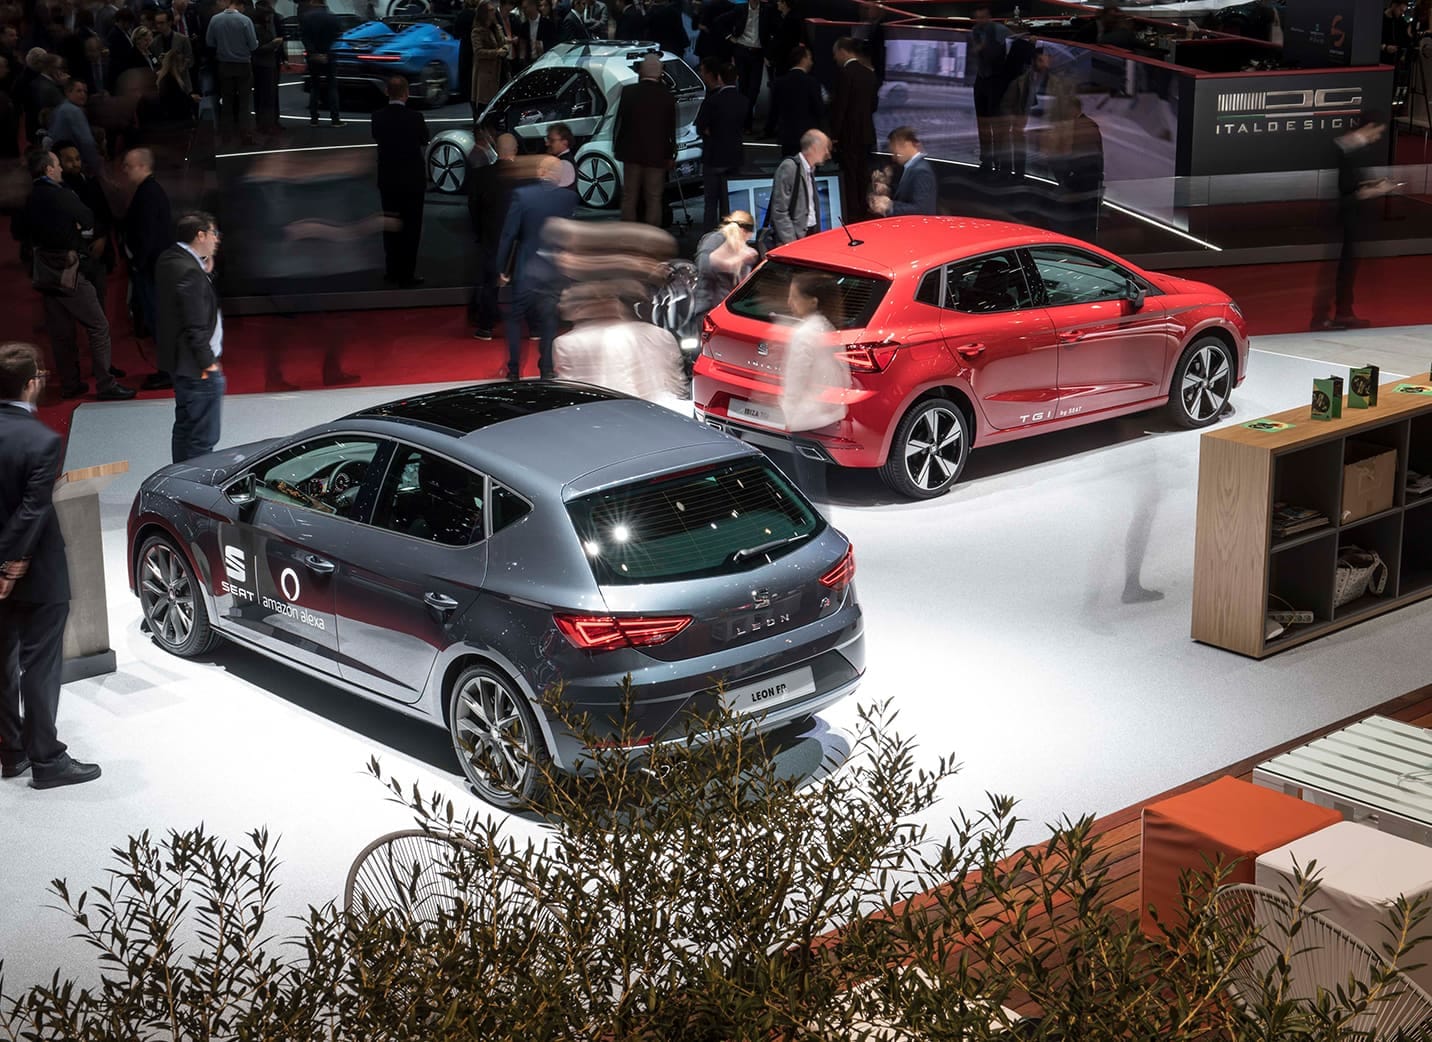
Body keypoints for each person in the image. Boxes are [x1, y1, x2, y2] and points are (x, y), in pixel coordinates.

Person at [0, 343, 103, 791]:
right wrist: (8, 565)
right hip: (36, 574)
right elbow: (32, 509)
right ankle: (47, 760)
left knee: (1, 664)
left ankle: (11, 751)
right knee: (39, 667)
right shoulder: (43, 440)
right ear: (30, 383)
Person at [18, 149, 134, 401]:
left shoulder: (29, 198)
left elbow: (18, 231)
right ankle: (106, 383)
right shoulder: (61, 195)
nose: (60, 168)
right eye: (57, 164)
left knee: (61, 332)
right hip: (68, 271)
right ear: (49, 169)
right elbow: (87, 218)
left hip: (44, 274)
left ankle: (70, 383)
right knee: (99, 325)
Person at [1312, 117, 1398, 331]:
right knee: (1336, 271)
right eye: (1377, 131)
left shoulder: (1355, 149)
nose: (1377, 137)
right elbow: (1344, 192)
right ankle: (1322, 316)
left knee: (1346, 269)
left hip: (1351, 220)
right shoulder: (1344, 148)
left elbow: (1350, 185)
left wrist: (1370, 186)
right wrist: (1374, 191)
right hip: (1341, 219)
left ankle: (1343, 313)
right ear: (1368, 127)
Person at [497, 154, 576, 379]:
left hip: (526, 270)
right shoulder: (568, 198)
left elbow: (509, 234)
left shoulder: (522, 195)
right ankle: (547, 369)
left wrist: (503, 268)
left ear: (540, 172)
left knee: (514, 318)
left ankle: (513, 371)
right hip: (554, 270)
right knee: (549, 321)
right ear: (558, 176)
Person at [156, 211, 225, 462]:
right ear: (201, 235)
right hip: (197, 367)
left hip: (178, 363)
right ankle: (193, 490)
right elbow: (195, 327)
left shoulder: (170, 258)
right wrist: (209, 364)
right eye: (214, 234)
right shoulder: (190, 272)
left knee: (185, 426)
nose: (216, 240)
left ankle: (177, 479)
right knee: (202, 439)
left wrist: (205, 268)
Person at [779, 270, 850, 509]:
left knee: (806, 490)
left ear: (812, 301)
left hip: (804, 419)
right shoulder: (828, 327)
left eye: (794, 296)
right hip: (826, 415)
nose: (789, 302)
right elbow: (844, 373)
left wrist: (785, 414)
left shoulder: (803, 334)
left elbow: (795, 382)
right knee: (817, 486)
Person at [121, 148, 173, 389]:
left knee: (158, 320)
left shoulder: (148, 194)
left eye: (129, 166)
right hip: (153, 266)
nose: (125, 170)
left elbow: (147, 235)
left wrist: (137, 262)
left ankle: (169, 371)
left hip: (151, 268)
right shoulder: (149, 191)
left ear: (142, 166)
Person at [371, 75, 430, 287]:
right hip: (412, 181)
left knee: (390, 226)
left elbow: (377, 136)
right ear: (406, 94)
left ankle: (391, 270)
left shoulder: (377, 117)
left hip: (388, 181)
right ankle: (407, 273)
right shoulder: (416, 118)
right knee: (411, 228)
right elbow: (425, 138)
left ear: (387, 92)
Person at [468, 130, 522, 339]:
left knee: (489, 282)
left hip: (491, 235)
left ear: (496, 150)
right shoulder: (523, 178)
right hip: (518, 238)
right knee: (523, 281)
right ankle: (532, 328)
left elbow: (473, 208)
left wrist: (479, 233)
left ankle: (486, 327)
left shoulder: (482, 176)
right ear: (514, 151)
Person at [613, 53, 675, 226]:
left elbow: (621, 121)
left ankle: (629, 235)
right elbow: (670, 130)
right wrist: (670, 155)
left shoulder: (628, 92)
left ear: (641, 71)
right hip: (656, 155)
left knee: (629, 197)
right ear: (660, 72)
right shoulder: (667, 96)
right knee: (654, 198)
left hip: (631, 153)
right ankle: (652, 238)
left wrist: (618, 147)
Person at [56, 140, 117, 313]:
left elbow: (105, 214)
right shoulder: (57, 192)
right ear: (59, 163)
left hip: (94, 251)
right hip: (69, 255)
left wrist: (102, 238)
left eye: (77, 159)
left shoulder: (92, 184)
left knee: (98, 303)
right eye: (69, 160)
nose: (75, 163)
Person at [829, 36, 876, 221]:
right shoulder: (869, 74)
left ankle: (853, 213)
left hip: (849, 134)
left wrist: (834, 135)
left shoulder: (845, 73)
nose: (835, 58)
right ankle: (864, 209)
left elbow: (841, 107)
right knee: (863, 173)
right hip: (866, 132)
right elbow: (873, 105)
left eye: (835, 54)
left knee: (849, 174)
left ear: (842, 51)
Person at [695, 57, 744, 229]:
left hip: (714, 157)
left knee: (711, 203)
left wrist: (710, 130)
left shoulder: (713, 101)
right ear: (736, 78)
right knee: (729, 202)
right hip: (734, 158)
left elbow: (700, 127)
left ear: (720, 78)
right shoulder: (743, 101)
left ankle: (708, 238)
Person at [206, 0, 257, 143]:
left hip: (224, 65)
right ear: (240, 5)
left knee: (226, 101)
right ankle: (245, 134)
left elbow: (210, 42)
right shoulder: (245, 20)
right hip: (243, 65)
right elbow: (253, 45)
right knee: (244, 102)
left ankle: (226, 135)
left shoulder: (215, 20)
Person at [768, 127, 828, 245]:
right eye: (824, 148)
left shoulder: (810, 169)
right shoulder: (789, 167)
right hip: (794, 239)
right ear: (814, 148)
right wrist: (791, 243)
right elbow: (779, 210)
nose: (827, 153)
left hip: (811, 234)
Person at [693, 207, 755, 318]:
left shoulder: (743, 247)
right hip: (709, 309)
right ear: (747, 232)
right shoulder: (715, 239)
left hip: (727, 308)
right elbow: (704, 266)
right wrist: (736, 261)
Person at [969, 5, 1009, 176]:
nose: (981, 21)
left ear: (989, 16)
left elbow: (1009, 49)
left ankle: (999, 161)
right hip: (982, 79)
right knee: (983, 124)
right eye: (978, 18)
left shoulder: (1001, 30)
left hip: (996, 80)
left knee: (997, 124)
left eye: (984, 17)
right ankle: (986, 161)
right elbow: (975, 53)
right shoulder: (975, 31)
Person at [999, 44, 1047, 180]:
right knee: (1011, 147)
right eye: (1040, 61)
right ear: (1032, 61)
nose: (1044, 65)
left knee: (1017, 147)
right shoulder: (1021, 80)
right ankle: (1010, 174)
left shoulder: (1032, 77)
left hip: (1019, 120)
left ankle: (1017, 175)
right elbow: (1008, 103)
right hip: (1014, 120)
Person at [768, 43, 821, 158]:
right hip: (808, 137)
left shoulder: (779, 82)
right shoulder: (812, 82)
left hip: (787, 136)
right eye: (810, 58)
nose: (812, 62)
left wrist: (769, 130)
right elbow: (819, 110)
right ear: (803, 59)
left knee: (789, 170)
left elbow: (774, 110)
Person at [722, 0, 768, 131]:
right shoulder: (739, 9)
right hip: (742, 51)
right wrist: (729, 36)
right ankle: (745, 124)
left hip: (757, 53)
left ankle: (744, 121)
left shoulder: (766, 10)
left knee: (754, 89)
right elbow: (719, 21)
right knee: (743, 87)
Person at [869, 125, 934, 217]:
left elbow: (921, 209)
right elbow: (906, 196)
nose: (893, 158)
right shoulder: (911, 167)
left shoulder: (921, 172)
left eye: (895, 152)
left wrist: (889, 206)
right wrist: (888, 190)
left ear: (905, 145)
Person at [45, 78, 103, 176]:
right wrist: (97, 166)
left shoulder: (61, 108)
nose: (83, 95)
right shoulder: (73, 111)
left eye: (85, 92)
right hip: (71, 162)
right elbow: (86, 142)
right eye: (79, 91)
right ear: (68, 92)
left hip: (59, 160)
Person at [299, 0, 342, 126]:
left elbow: (304, 37)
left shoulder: (306, 17)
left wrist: (313, 53)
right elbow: (337, 36)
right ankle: (335, 118)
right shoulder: (332, 17)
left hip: (313, 56)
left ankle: (314, 118)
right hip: (329, 55)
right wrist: (327, 53)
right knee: (332, 86)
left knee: (315, 86)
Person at [250, 0, 283, 135]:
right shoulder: (258, 28)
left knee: (265, 95)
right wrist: (273, 44)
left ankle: (266, 122)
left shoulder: (261, 26)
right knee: (266, 95)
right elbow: (256, 48)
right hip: (264, 64)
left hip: (266, 63)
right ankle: (265, 124)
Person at [470, 1, 508, 113]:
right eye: (490, 10)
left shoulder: (497, 28)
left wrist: (505, 49)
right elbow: (478, 52)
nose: (493, 12)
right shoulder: (477, 31)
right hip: (486, 73)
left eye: (493, 10)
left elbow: (503, 43)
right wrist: (496, 52)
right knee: (486, 105)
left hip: (500, 70)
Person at [510, 0, 554, 74]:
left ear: (533, 6)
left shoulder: (548, 24)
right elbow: (522, 46)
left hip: (544, 62)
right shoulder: (524, 26)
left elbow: (554, 43)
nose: (524, 11)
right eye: (523, 8)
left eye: (525, 8)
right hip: (529, 63)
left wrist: (542, 45)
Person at [545, 120, 577, 187]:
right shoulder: (562, 161)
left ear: (564, 142)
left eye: (551, 140)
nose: (547, 143)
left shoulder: (564, 165)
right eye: (547, 139)